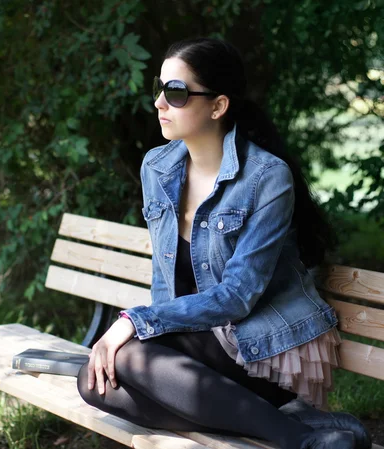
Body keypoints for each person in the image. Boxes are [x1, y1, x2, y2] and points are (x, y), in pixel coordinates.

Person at [76, 37, 372, 449]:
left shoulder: (266, 178)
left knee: (125, 358)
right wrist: (146, 329)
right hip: (207, 338)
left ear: (218, 106)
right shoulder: (157, 168)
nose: (160, 102)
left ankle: (296, 438)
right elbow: (166, 280)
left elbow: (237, 297)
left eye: (175, 92)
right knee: (92, 383)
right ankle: (304, 430)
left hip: (263, 344)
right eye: (159, 88)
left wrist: (133, 323)